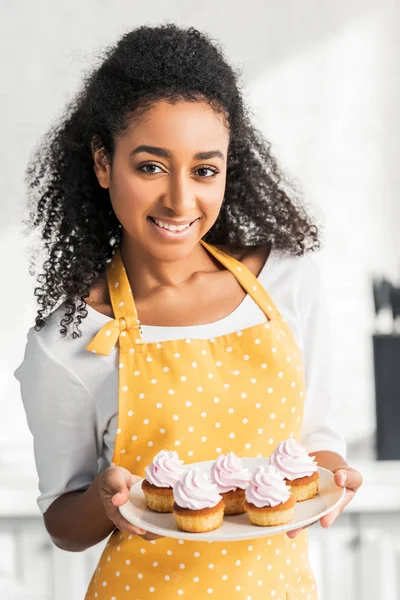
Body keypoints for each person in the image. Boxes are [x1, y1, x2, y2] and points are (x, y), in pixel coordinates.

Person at [15, 23, 363, 600]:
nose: (180, 199)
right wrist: (105, 496)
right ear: (104, 164)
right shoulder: (70, 342)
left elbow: (316, 448)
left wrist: (337, 477)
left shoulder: (286, 284)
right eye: (150, 166)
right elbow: (63, 523)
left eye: (205, 170)